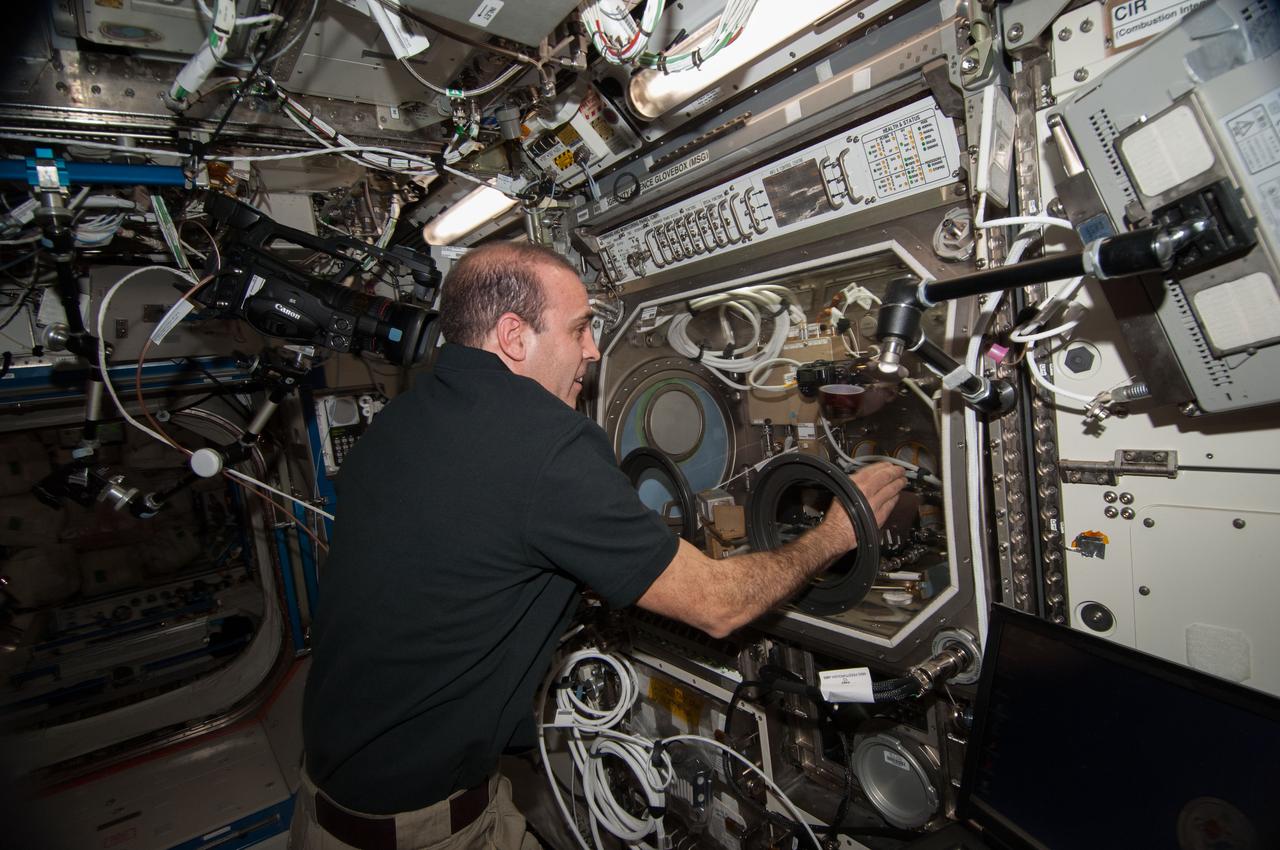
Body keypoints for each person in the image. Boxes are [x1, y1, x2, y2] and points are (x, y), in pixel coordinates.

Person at [292, 242, 906, 850]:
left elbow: (459, 550)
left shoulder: (400, 419)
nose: (592, 350)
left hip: (333, 794)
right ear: (514, 335)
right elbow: (720, 607)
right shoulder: (544, 443)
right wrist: (836, 533)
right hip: (422, 829)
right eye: (581, 328)